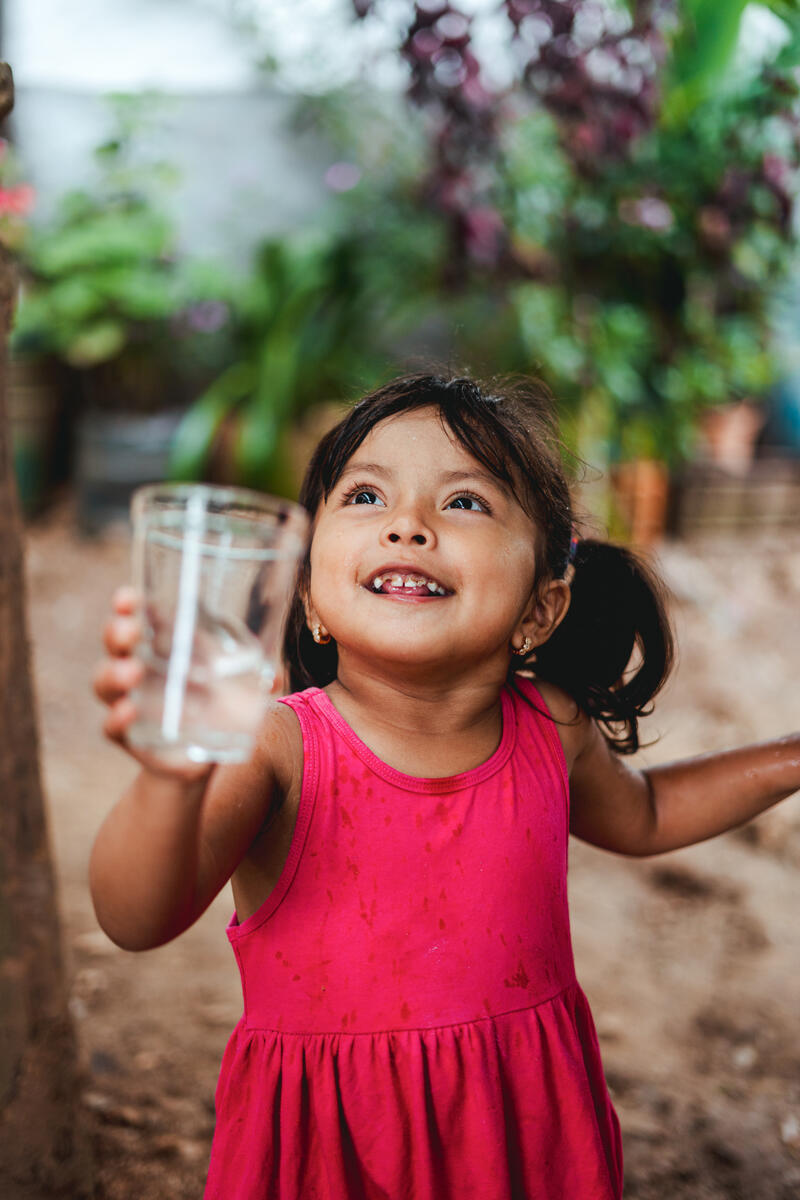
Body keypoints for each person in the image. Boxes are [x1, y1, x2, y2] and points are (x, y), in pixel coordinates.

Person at [91, 373, 800, 1200]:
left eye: (464, 503)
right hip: (332, 1158)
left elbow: (644, 813)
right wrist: (169, 777)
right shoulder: (277, 747)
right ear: (310, 594)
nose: (408, 525)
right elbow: (135, 916)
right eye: (364, 495)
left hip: (521, 1140)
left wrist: (789, 756)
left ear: (541, 608)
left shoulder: (551, 727)